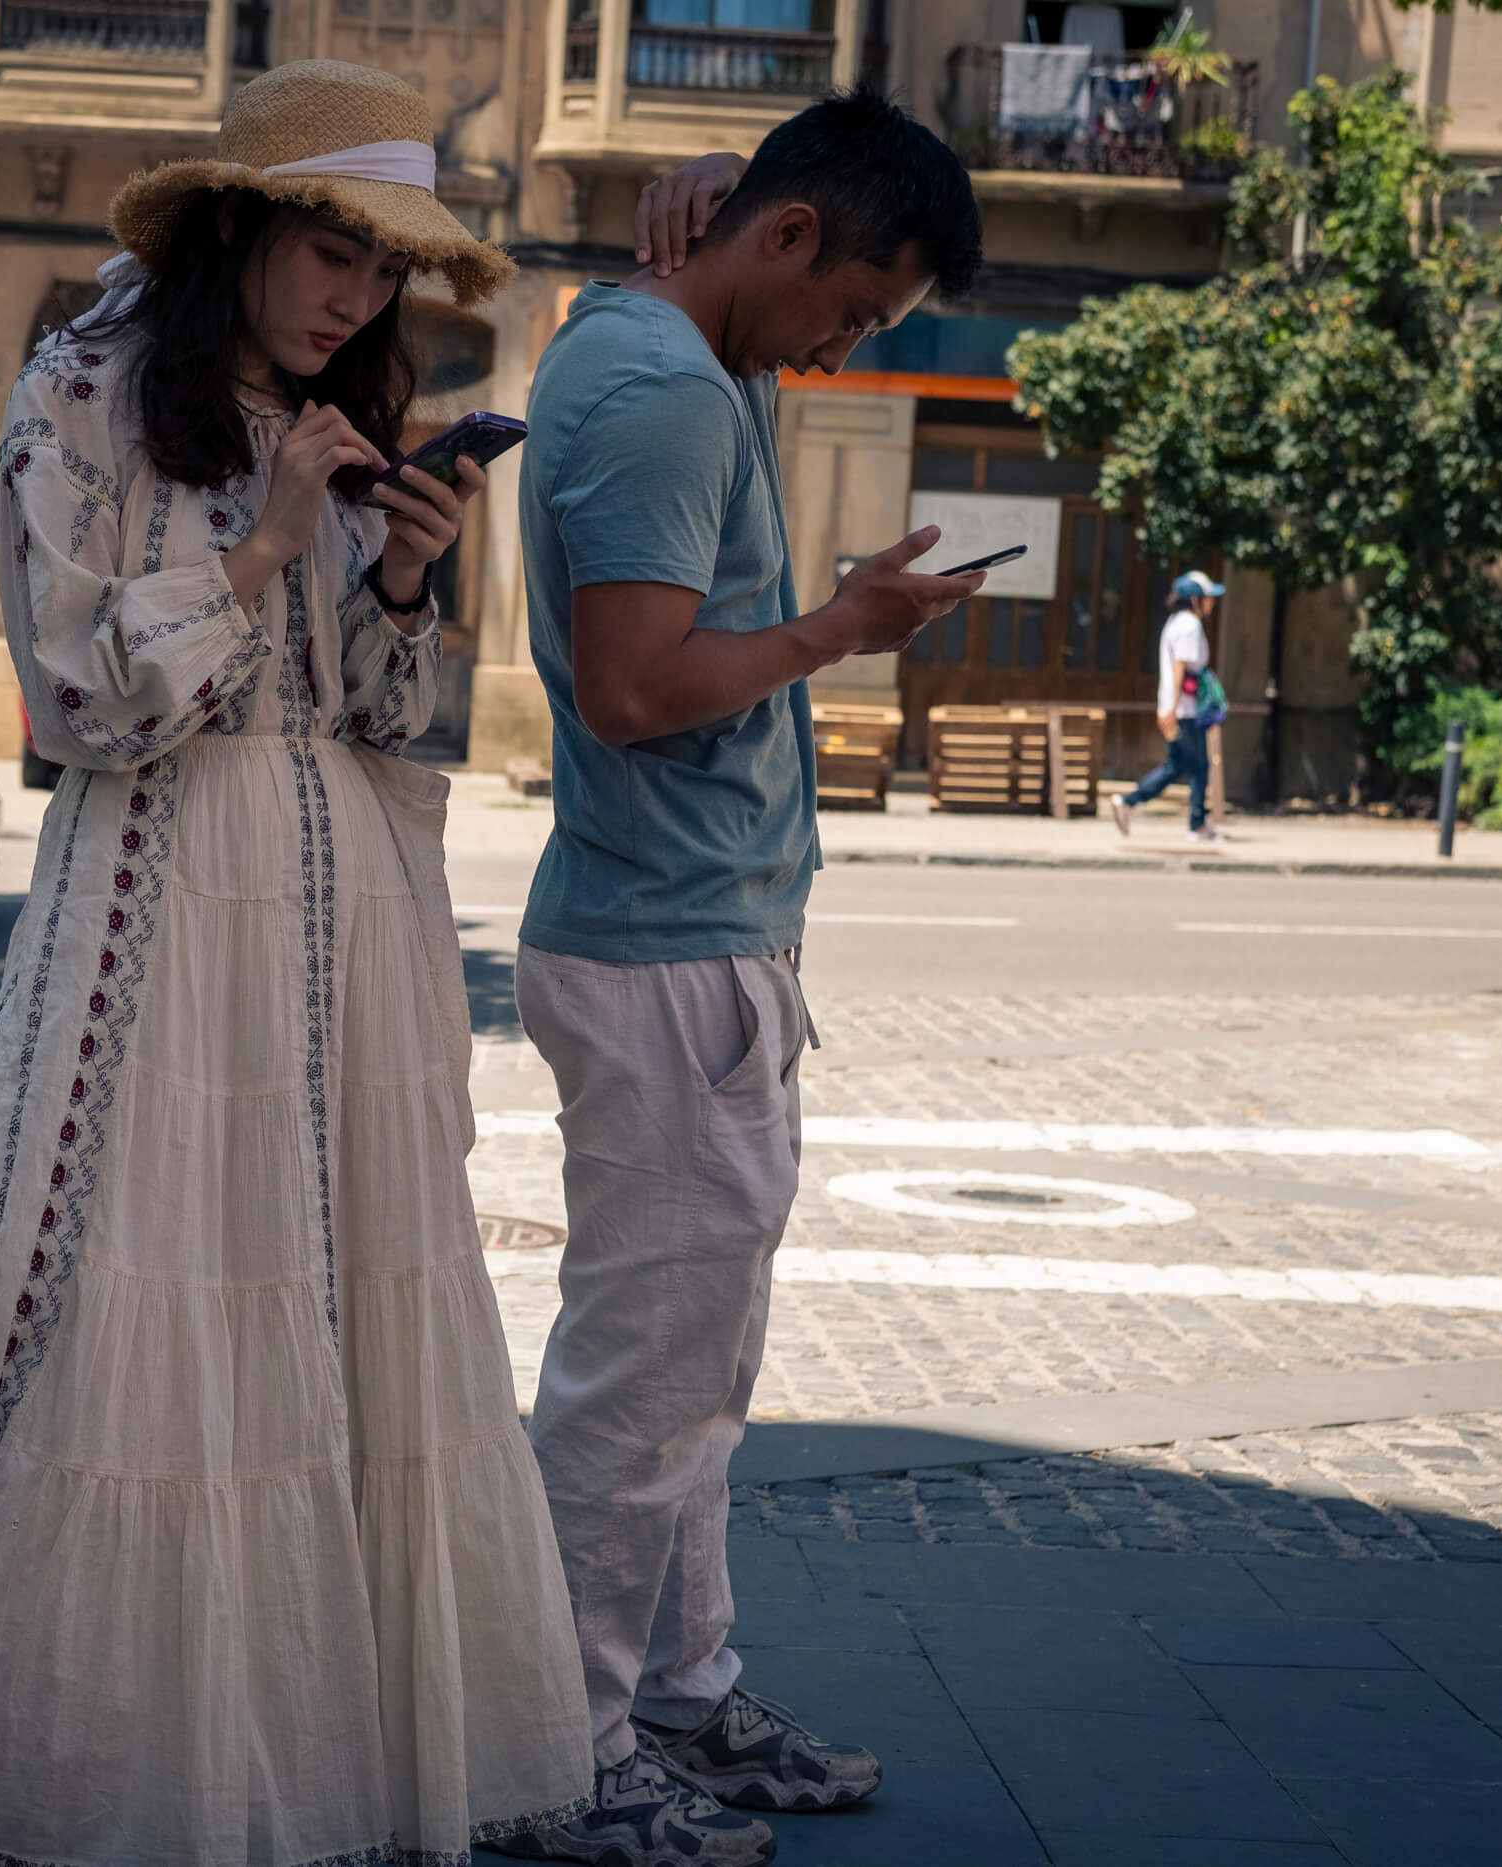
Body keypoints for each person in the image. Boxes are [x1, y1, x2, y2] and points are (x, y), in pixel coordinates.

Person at [0, 60, 592, 1867]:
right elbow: (86, 705)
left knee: (330, 1324)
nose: (359, 293)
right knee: (129, 1312)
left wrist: (405, 585)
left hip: (347, 922)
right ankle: (60, 1777)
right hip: (162, 912)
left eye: (387, 266)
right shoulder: (85, 394)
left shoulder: (345, 410)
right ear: (240, 224)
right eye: (332, 246)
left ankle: (296, 1770)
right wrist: (271, 536)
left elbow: (374, 718)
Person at [490, 93, 985, 1865]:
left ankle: (680, 1689)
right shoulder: (653, 390)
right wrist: (840, 633)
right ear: (782, 241)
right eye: (849, 312)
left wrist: (709, 214)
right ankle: (557, 1742)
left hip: (700, 933)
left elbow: (745, 292)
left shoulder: (689, 356)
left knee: (695, 1369)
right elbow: (631, 686)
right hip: (661, 945)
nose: (843, 353)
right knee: (639, 1380)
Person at [1110, 569, 1225, 843]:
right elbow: (1179, 668)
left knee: (1176, 766)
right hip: (1185, 710)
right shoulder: (1189, 625)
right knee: (1198, 767)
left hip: (1175, 708)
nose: (1211, 602)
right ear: (1194, 599)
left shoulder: (1176, 622)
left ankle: (1129, 802)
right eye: (1207, 597)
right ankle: (1197, 825)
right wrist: (1173, 709)